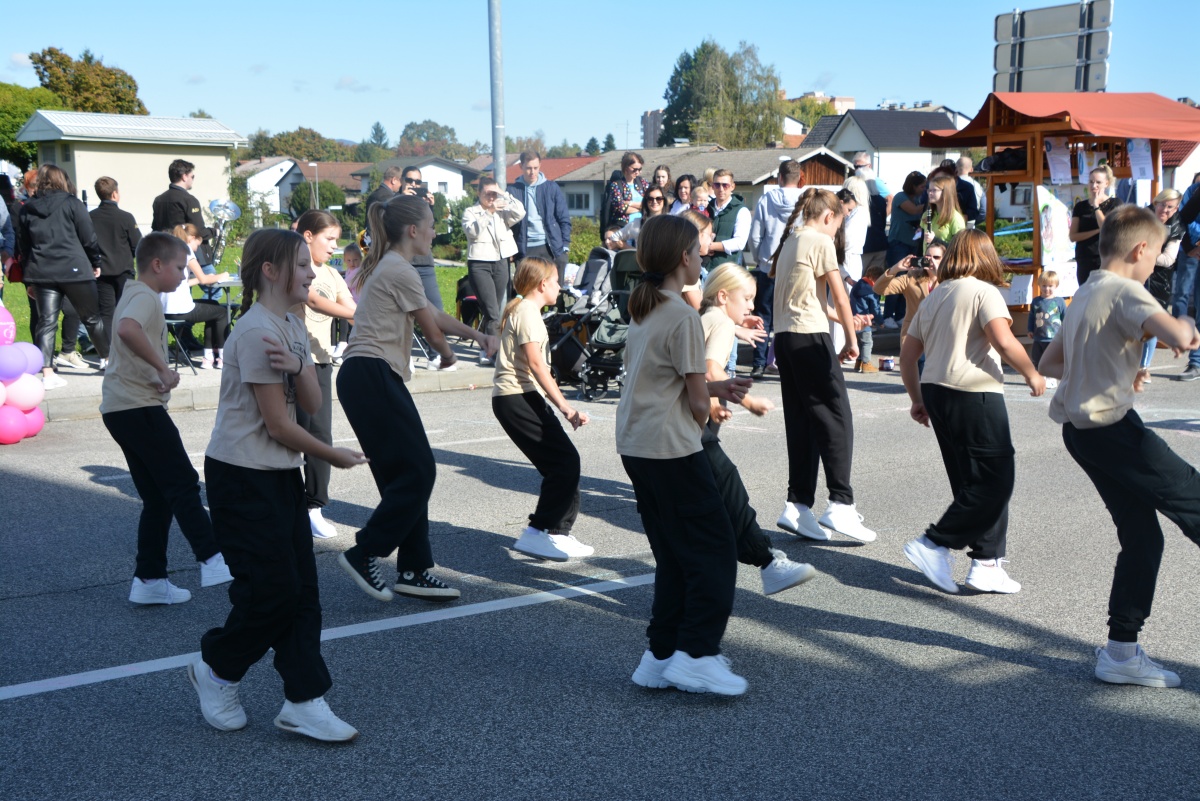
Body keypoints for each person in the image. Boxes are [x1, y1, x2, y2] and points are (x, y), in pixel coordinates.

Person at [192, 228, 368, 742]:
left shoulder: (291, 324)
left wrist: (299, 365)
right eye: (302, 265)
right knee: (273, 592)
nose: (313, 273)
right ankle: (217, 669)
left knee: (303, 594)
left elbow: (311, 404)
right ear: (271, 271)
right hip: (242, 478)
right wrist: (335, 456)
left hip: (278, 476)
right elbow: (278, 424)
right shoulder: (253, 332)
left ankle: (303, 701)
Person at [1039, 204, 1200, 688]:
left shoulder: (1086, 290)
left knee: (1143, 537)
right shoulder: (1129, 291)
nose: (1155, 267)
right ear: (1140, 249)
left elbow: (1050, 362)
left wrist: (1115, 370)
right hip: (1114, 433)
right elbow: (1179, 336)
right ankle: (1121, 652)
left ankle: (1121, 653)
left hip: (1081, 434)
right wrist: (1188, 322)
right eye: (1154, 259)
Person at [336, 196, 497, 603]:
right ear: (412, 230)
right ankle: (365, 552)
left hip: (365, 376)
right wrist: (447, 355)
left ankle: (414, 569)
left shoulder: (389, 266)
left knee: (404, 474)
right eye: (430, 224)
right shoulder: (399, 269)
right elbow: (431, 329)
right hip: (372, 374)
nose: (434, 231)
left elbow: (432, 314)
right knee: (420, 470)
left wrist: (477, 336)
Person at [619, 214, 753, 696]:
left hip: (637, 446)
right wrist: (709, 409)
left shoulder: (646, 307)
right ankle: (697, 654)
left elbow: (666, 377)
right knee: (716, 550)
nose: (704, 257)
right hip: (669, 449)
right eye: (699, 251)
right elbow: (697, 404)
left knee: (675, 555)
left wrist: (715, 386)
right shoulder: (681, 314)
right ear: (683, 258)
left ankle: (659, 657)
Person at [899, 230, 1044, 595]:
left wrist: (917, 398)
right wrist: (1032, 372)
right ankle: (935, 543)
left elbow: (907, 355)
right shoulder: (983, 291)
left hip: (936, 390)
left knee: (970, 481)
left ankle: (986, 562)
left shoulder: (936, 296)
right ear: (985, 256)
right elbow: (1003, 339)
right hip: (974, 391)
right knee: (995, 479)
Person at [101, 232, 233, 605]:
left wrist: (154, 371)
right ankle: (212, 557)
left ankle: (149, 580)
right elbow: (128, 329)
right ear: (157, 265)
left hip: (122, 408)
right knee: (182, 483)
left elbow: (127, 333)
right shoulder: (144, 295)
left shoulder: (134, 291)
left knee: (158, 499)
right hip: (136, 407)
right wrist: (163, 367)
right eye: (179, 267)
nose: (182, 275)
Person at [699, 263, 815, 596]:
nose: (752, 306)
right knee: (729, 488)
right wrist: (748, 402)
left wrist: (738, 328)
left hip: (673, 425)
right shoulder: (720, 323)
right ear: (723, 296)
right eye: (746, 298)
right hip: (690, 429)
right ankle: (767, 561)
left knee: (708, 496)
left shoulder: (707, 316)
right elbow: (709, 367)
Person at [770, 189, 876, 543]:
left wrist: (847, 321)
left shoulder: (791, 241)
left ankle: (797, 505)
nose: (837, 234)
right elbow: (839, 293)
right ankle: (840, 504)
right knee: (836, 417)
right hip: (811, 339)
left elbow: (809, 298)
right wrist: (851, 338)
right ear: (829, 216)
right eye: (839, 224)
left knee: (803, 422)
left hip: (786, 338)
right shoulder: (820, 240)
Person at [493, 256, 593, 562]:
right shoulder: (528, 313)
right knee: (564, 464)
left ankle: (557, 534)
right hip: (517, 397)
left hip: (520, 396)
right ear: (542, 284)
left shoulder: (524, 310)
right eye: (557, 280)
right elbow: (536, 365)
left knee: (563, 464)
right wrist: (565, 407)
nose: (560, 286)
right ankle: (537, 533)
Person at [15, 164, 110, 389]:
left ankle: (47, 373)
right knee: (91, 318)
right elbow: (88, 237)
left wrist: (30, 278)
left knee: (46, 322)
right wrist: (96, 262)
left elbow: (24, 245)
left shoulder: (27, 208)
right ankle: (108, 360)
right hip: (74, 268)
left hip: (42, 271)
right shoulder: (72, 203)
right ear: (62, 180)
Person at [295, 210, 357, 539]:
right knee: (286, 434)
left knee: (320, 435)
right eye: (328, 239)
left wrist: (368, 317)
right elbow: (314, 302)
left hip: (318, 362)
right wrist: (357, 314)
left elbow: (349, 304)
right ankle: (284, 503)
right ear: (307, 236)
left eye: (336, 239)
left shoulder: (333, 275)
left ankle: (313, 506)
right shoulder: (294, 268)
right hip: (288, 362)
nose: (334, 246)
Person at [746, 160, 806, 378]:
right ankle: (787, 362)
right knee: (791, 316)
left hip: (768, 266)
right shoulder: (805, 201)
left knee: (763, 315)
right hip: (795, 266)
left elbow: (755, 235)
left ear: (779, 177)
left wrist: (758, 257)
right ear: (799, 177)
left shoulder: (766, 199)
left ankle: (759, 364)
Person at [462, 177, 525, 365]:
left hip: (501, 262)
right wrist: (488, 212)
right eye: (487, 193)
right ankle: (494, 352)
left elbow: (520, 212)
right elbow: (472, 231)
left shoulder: (502, 210)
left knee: (496, 309)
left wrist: (503, 194)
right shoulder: (471, 212)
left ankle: (487, 346)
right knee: (492, 311)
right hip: (480, 263)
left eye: (493, 193)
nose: (491, 197)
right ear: (478, 193)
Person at [90, 176, 142, 369]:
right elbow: (137, 244)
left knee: (106, 313)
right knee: (126, 312)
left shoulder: (91, 217)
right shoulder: (126, 217)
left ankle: (107, 355)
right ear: (114, 194)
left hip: (101, 270)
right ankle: (127, 352)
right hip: (124, 271)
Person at [163, 224, 232, 368]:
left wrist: (205, 277)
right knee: (221, 312)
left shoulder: (168, 249)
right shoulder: (186, 250)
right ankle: (222, 358)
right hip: (180, 310)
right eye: (198, 244)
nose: (197, 248)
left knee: (212, 307)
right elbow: (204, 280)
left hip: (164, 310)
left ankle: (208, 358)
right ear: (192, 238)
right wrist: (222, 275)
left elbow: (184, 282)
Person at [507, 151, 572, 284]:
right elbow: (507, 224)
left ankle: (556, 306)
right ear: (521, 167)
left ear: (540, 166)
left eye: (535, 168)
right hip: (525, 248)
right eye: (528, 168)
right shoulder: (512, 191)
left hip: (550, 246)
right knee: (529, 291)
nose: (532, 172)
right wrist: (510, 249)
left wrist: (564, 245)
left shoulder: (551, 188)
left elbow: (563, 218)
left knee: (554, 292)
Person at [1140, 189, 1184, 376]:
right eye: (1161, 204)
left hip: (1159, 282)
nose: (1164, 209)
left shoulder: (1177, 226)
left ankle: (1143, 367)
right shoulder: (1141, 218)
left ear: (1176, 209)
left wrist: (1144, 255)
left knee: (1151, 324)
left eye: (1169, 207)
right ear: (1155, 203)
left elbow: (1168, 259)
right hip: (1135, 276)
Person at [874, 242, 946, 342]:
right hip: (913, 335)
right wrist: (895, 268)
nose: (931, 261)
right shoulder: (911, 277)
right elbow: (878, 288)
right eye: (928, 257)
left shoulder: (949, 281)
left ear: (944, 260)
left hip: (939, 335)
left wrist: (940, 275)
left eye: (936, 257)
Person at [883, 172, 928, 329]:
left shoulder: (918, 199)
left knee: (909, 278)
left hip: (912, 244)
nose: (924, 189)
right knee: (898, 277)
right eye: (922, 186)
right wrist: (932, 203)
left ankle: (901, 314)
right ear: (913, 185)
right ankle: (888, 315)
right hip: (898, 244)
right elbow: (915, 211)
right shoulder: (901, 197)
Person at [151, 159, 214, 267]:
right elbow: (199, 231)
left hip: (165, 254)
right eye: (192, 176)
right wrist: (214, 232)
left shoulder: (158, 200)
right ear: (184, 176)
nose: (192, 179)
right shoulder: (189, 200)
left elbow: (155, 228)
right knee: (213, 281)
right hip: (189, 254)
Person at [1168, 176, 1200, 381]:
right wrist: (1191, 246)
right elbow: (1183, 218)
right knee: (1181, 296)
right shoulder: (1193, 190)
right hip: (1191, 252)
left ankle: (1196, 361)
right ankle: (1186, 340)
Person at [1069, 164, 1121, 286]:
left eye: (1098, 182)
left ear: (1106, 184)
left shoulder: (1115, 203)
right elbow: (1073, 236)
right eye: (1091, 182)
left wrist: (1096, 206)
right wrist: (1095, 232)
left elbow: (1106, 228)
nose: (1094, 186)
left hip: (1106, 257)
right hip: (1085, 258)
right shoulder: (1080, 206)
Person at [705, 169, 750, 268]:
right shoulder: (706, 208)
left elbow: (739, 242)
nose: (721, 189)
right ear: (713, 186)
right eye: (717, 185)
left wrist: (711, 246)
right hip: (705, 267)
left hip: (728, 269)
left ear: (732, 187)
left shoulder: (741, 211)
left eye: (725, 185)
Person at [1028, 271, 1065, 387]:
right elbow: (1031, 317)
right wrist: (1030, 329)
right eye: (1044, 285)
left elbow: (1066, 318)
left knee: (1051, 359)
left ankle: (1052, 378)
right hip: (1039, 337)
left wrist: (1066, 332)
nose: (1047, 289)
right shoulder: (1036, 301)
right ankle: (1041, 377)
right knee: (1037, 358)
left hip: (1054, 338)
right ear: (1039, 286)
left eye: (1050, 286)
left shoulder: (1059, 301)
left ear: (1056, 286)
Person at [601, 152, 648, 231]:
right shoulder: (616, 185)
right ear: (626, 168)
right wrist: (641, 208)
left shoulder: (643, 183)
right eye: (634, 169)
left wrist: (630, 203)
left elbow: (649, 203)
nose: (637, 172)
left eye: (640, 169)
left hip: (643, 226)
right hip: (623, 228)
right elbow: (621, 208)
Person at [850, 263, 883, 372]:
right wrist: (880, 321)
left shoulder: (858, 285)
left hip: (854, 319)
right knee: (868, 342)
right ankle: (866, 363)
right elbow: (875, 307)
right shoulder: (871, 291)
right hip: (864, 320)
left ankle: (858, 363)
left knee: (860, 342)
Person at [921, 175, 966, 247]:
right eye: (929, 190)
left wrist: (934, 240)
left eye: (934, 190)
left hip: (945, 258)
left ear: (946, 192)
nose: (930, 193)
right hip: (927, 257)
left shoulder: (956, 218)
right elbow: (922, 243)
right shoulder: (926, 214)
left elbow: (959, 248)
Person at [957, 156, 986, 225]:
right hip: (970, 223)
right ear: (971, 169)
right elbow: (984, 210)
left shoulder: (950, 184)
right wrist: (974, 221)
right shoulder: (977, 186)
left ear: (956, 168)